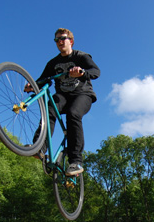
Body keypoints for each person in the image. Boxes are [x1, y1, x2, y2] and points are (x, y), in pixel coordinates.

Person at [25, 28, 100, 176]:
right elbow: (42, 80)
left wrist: (82, 73)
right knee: (49, 109)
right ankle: (40, 147)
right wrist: (32, 86)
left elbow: (95, 71)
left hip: (82, 95)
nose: (59, 42)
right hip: (63, 97)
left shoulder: (81, 56)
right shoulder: (53, 63)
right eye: (56, 40)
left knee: (73, 113)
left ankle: (76, 161)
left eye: (63, 38)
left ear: (70, 41)